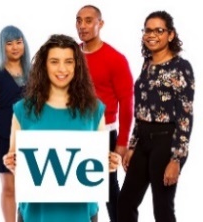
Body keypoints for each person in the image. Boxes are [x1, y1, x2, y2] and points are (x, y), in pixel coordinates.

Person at [2, 34, 122, 222]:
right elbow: (17, 160)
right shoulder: (23, 110)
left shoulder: (94, 109)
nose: (62, 69)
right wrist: (12, 162)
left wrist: (110, 163)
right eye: (54, 61)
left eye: (68, 61)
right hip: (35, 214)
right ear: (44, 66)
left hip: (82, 214)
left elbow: (98, 163)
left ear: (77, 66)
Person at [117, 10, 195, 222]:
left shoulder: (181, 67)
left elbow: (185, 115)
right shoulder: (147, 64)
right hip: (143, 139)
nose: (152, 35)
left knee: (162, 208)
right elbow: (141, 109)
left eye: (159, 30)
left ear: (170, 35)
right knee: (125, 203)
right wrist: (132, 145)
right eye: (148, 30)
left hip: (166, 140)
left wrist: (176, 159)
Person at [75, 5, 134, 222]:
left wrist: (122, 142)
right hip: (74, 130)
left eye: (89, 20)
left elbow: (127, 103)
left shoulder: (115, 59)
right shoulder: (71, 55)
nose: (82, 26)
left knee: (108, 187)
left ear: (100, 24)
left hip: (104, 133)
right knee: (77, 187)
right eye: (79, 20)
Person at [0, 25, 31, 222]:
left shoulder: (35, 71)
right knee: (9, 187)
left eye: (18, 42)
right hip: (4, 133)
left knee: (32, 186)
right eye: (9, 43)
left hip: (32, 133)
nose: (15, 47)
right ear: (2, 47)